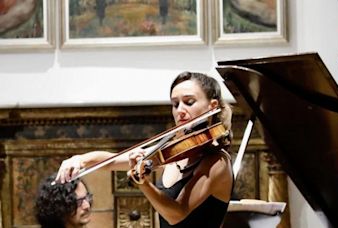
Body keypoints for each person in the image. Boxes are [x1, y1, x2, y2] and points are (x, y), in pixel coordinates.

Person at [54, 71, 234, 227]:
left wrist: (144, 183)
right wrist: (80, 159)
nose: (180, 110)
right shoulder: (175, 151)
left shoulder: (217, 162)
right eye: (175, 104)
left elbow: (177, 213)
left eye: (189, 102)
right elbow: (113, 160)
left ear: (212, 106)